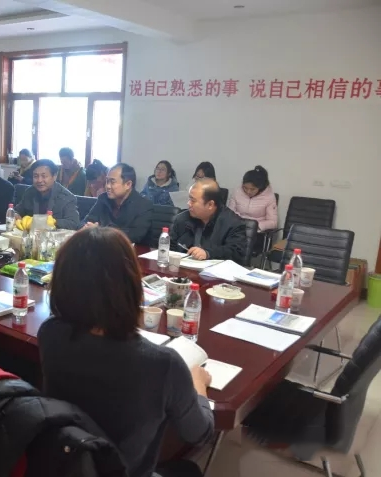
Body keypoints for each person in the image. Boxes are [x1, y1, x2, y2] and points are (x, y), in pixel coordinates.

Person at [38, 227, 214, 477]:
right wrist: (199, 386)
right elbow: (199, 433)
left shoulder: (50, 333)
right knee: (189, 470)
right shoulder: (163, 364)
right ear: (131, 285)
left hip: (68, 464)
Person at [171, 178, 247, 262]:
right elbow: (171, 247)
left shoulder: (233, 223)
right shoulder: (182, 219)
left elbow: (236, 253)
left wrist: (208, 253)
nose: (188, 203)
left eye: (193, 200)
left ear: (210, 204)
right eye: (189, 199)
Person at [82, 163, 153, 244]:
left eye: (112, 182)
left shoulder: (143, 205)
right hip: (103, 246)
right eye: (107, 181)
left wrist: (100, 231)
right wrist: (87, 227)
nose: (107, 186)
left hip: (131, 250)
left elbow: (135, 235)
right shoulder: (103, 198)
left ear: (128, 184)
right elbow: (86, 221)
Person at [15, 159, 80, 230]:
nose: (39, 180)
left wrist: (53, 222)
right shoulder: (30, 192)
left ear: (54, 176)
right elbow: (17, 211)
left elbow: (73, 223)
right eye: (36, 176)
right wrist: (16, 216)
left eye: (44, 176)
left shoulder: (67, 197)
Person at [228, 165, 278, 232]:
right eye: (245, 188)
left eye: (252, 189)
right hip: (236, 228)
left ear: (260, 188)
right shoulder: (237, 192)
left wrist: (255, 226)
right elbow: (229, 213)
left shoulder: (269, 197)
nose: (248, 192)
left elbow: (273, 222)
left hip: (256, 231)